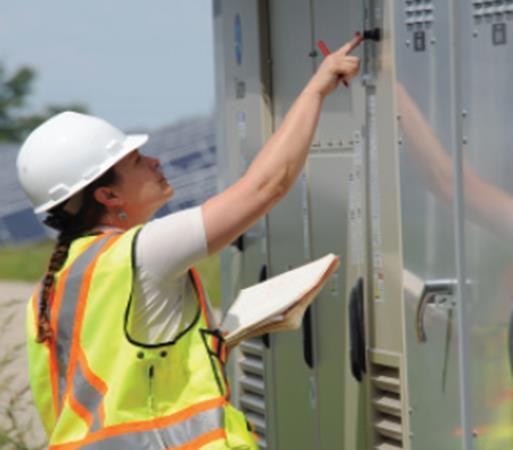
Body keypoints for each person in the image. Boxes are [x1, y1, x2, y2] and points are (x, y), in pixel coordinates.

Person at [17, 35, 362, 449]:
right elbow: (265, 188)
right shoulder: (142, 253)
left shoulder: (49, 292)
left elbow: (125, 382)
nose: (155, 161)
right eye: (136, 161)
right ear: (107, 196)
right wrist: (317, 88)